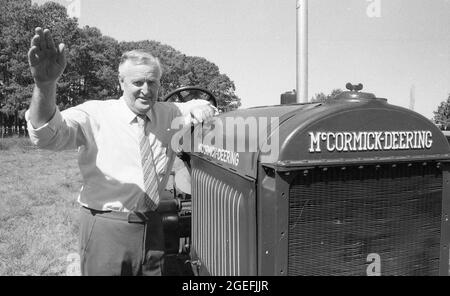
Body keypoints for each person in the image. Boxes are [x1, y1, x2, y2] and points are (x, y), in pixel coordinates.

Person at [26, 27, 217, 276]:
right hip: (107, 226)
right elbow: (46, 135)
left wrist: (201, 108)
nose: (146, 90)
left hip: (152, 225)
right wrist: (45, 84)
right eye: (138, 82)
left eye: (152, 82)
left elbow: (198, 104)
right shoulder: (95, 113)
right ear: (121, 82)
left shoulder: (167, 113)